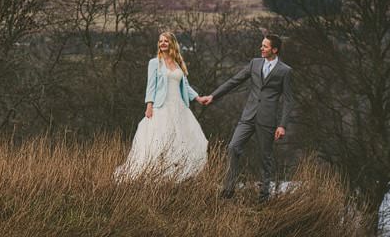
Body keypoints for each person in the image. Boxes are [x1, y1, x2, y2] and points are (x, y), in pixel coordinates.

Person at [197, 34, 294, 202]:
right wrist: (213, 96)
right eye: (261, 45)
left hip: (267, 119)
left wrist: (282, 125)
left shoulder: (285, 71)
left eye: (265, 46)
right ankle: (228, 190)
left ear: (275, 49)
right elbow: (234, 81)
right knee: (233, 147)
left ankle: (264, 196)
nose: (261, 48)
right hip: (248, 116)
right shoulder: (254, 63)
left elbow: (288, 99)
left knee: (265, 158)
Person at [115, 31, 208, 180]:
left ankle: (177, 175)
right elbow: (150, 86)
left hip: (179, 107)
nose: (162, 43)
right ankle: (156, 174)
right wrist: (149, 105)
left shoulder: (178, 64)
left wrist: (198, 98)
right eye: (160, 41)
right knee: (161, 139)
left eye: (165, 41)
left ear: (172, 43)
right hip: (161, 106)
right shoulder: (154, 63)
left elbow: (185, 85)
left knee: (183, 140)